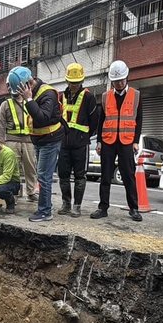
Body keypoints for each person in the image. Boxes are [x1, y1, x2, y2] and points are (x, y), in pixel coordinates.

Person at [90, 60, 143, 222]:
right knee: (105, 176)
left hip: (126, 141)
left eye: (121, 80)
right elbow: (101, 121)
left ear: (127, 78)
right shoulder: (106, 97)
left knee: (128, 175)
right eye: (116, 81)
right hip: (108, 141)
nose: (119, 84)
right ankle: (103, 207)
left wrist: (135, 141)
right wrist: (99, 140)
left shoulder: (136, 95)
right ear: (112, 81)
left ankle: (134, 208)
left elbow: (139, 119)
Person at [10, 66, 64, 222]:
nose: (19, 94)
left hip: (50, 140)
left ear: (27, 84)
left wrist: (28, 99)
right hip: (40, 140)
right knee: (42, 176)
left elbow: (42, 118)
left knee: (43, 176)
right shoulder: (34, 92)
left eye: (21, 90)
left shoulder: (48, 93)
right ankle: (46, 205)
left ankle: (45, 211)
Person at [57, 63, 98, 218]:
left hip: (81, 143)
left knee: (80, 176)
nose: (74, 85)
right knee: (63, 175)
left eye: (77, 82)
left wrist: (84, 135)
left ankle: (77, 206)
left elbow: (94, 121)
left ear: (82, 80)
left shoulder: (88, 97)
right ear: (67, 81)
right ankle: (66, 203)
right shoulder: (61, 97)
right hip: (64, 143)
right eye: (71, 82)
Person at [0, 78, 38, 202]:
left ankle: (31, 192)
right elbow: (1, 125)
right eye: (8, 86)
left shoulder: (30, 102)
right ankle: (14, 191)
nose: (9, 88)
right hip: (11, 141)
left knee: (30, 168)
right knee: (12, 168)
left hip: (29, 141)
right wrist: (1, 143)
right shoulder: (5, 104)